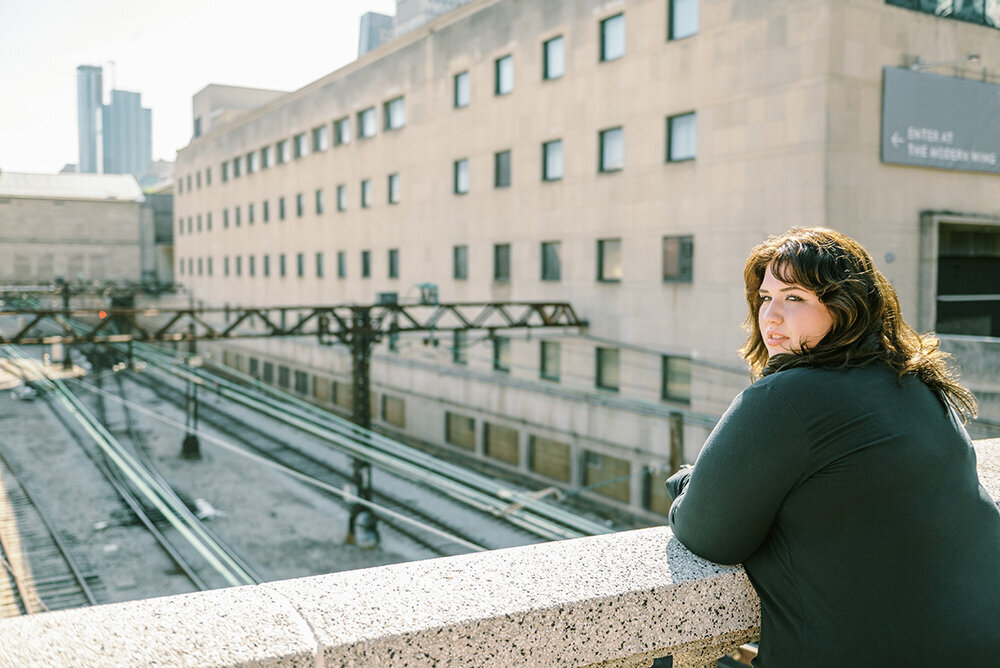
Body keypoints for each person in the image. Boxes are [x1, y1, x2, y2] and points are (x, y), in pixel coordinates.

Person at [665, 227, 1000, 667]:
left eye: (795, 298)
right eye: (765, 298)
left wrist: (688, 483)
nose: (771, 316)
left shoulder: (785, 398)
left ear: (847, 307)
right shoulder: (917, 383)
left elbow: (707, 534)